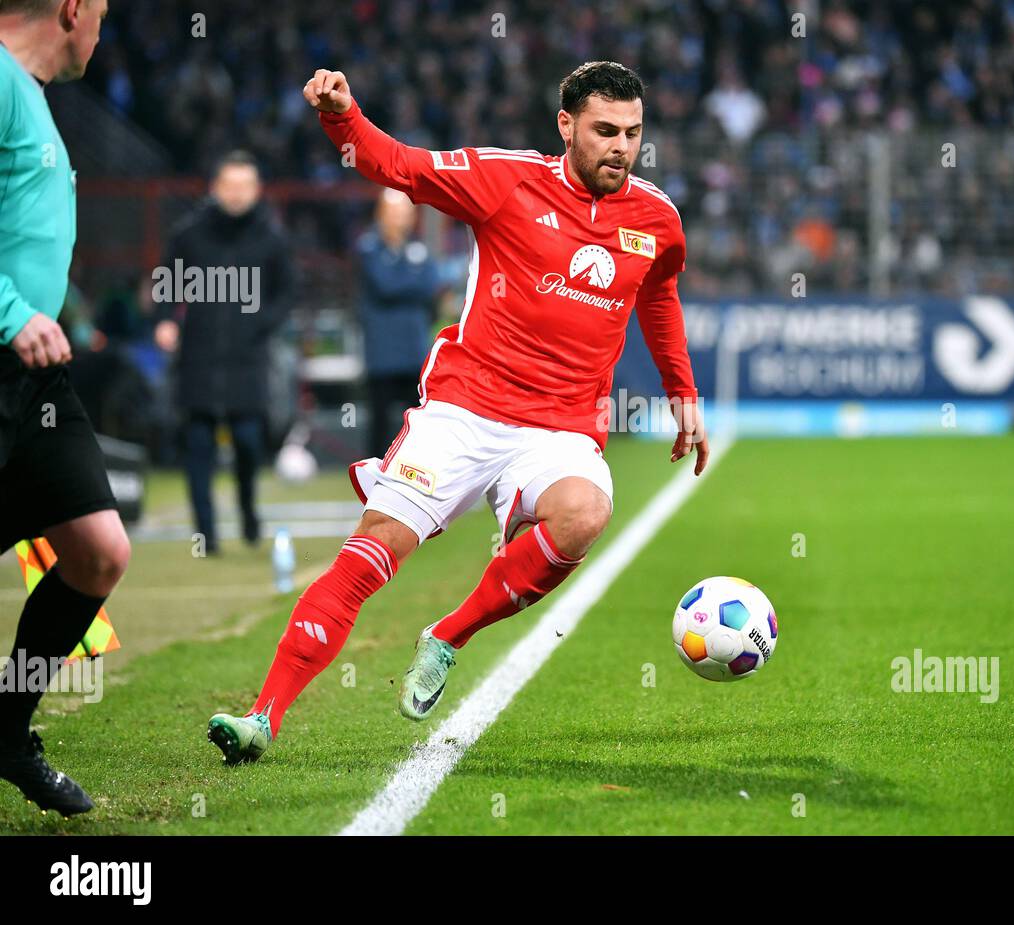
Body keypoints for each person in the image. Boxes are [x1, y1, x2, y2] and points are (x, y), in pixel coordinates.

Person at [208, 60, 708, 763]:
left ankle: (449, 635)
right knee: (372, 553)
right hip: (465, 410)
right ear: (565, 125)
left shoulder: (656, 217)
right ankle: (264, 716)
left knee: (586, 514)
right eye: (604, 131)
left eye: (632, 132)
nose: (620, 147)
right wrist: (340, 116)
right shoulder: (505, 179)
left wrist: (682, 391)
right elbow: (398, 166)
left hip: (561, 430)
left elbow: (658, 294)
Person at [0, 0, 126, 817]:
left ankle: (6, 732)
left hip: (35, 381)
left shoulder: (29, 92)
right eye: (104, 12)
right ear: (74, 9)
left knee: (97, 551)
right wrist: (13, 315)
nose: (103, 30)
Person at [154, 151, 294, 553]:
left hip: (248, 360)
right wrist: (165, 320)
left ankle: (248, 511)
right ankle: (206, 535)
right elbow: (167, 281)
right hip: (198, 357)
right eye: (228, 186)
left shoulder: (271, 237)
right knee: (198, 448)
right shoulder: (189, 233)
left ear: (257, 190)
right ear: (215, 188)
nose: (236, 194)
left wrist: (262, 323)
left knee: (249, 443)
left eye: (244, 186)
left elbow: (288, 291)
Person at [356, 188, 439, 457]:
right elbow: (385, 285)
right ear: (381, 213)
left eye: (406, 212)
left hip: (414, 349)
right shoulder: (368, 247)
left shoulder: (418, 248)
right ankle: (374, 477)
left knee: (417, 421)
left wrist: (405, 281)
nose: (401, 219)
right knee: (380, 421)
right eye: (394, 212)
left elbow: (430, 285)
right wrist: (411, 281)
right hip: (381, 351)